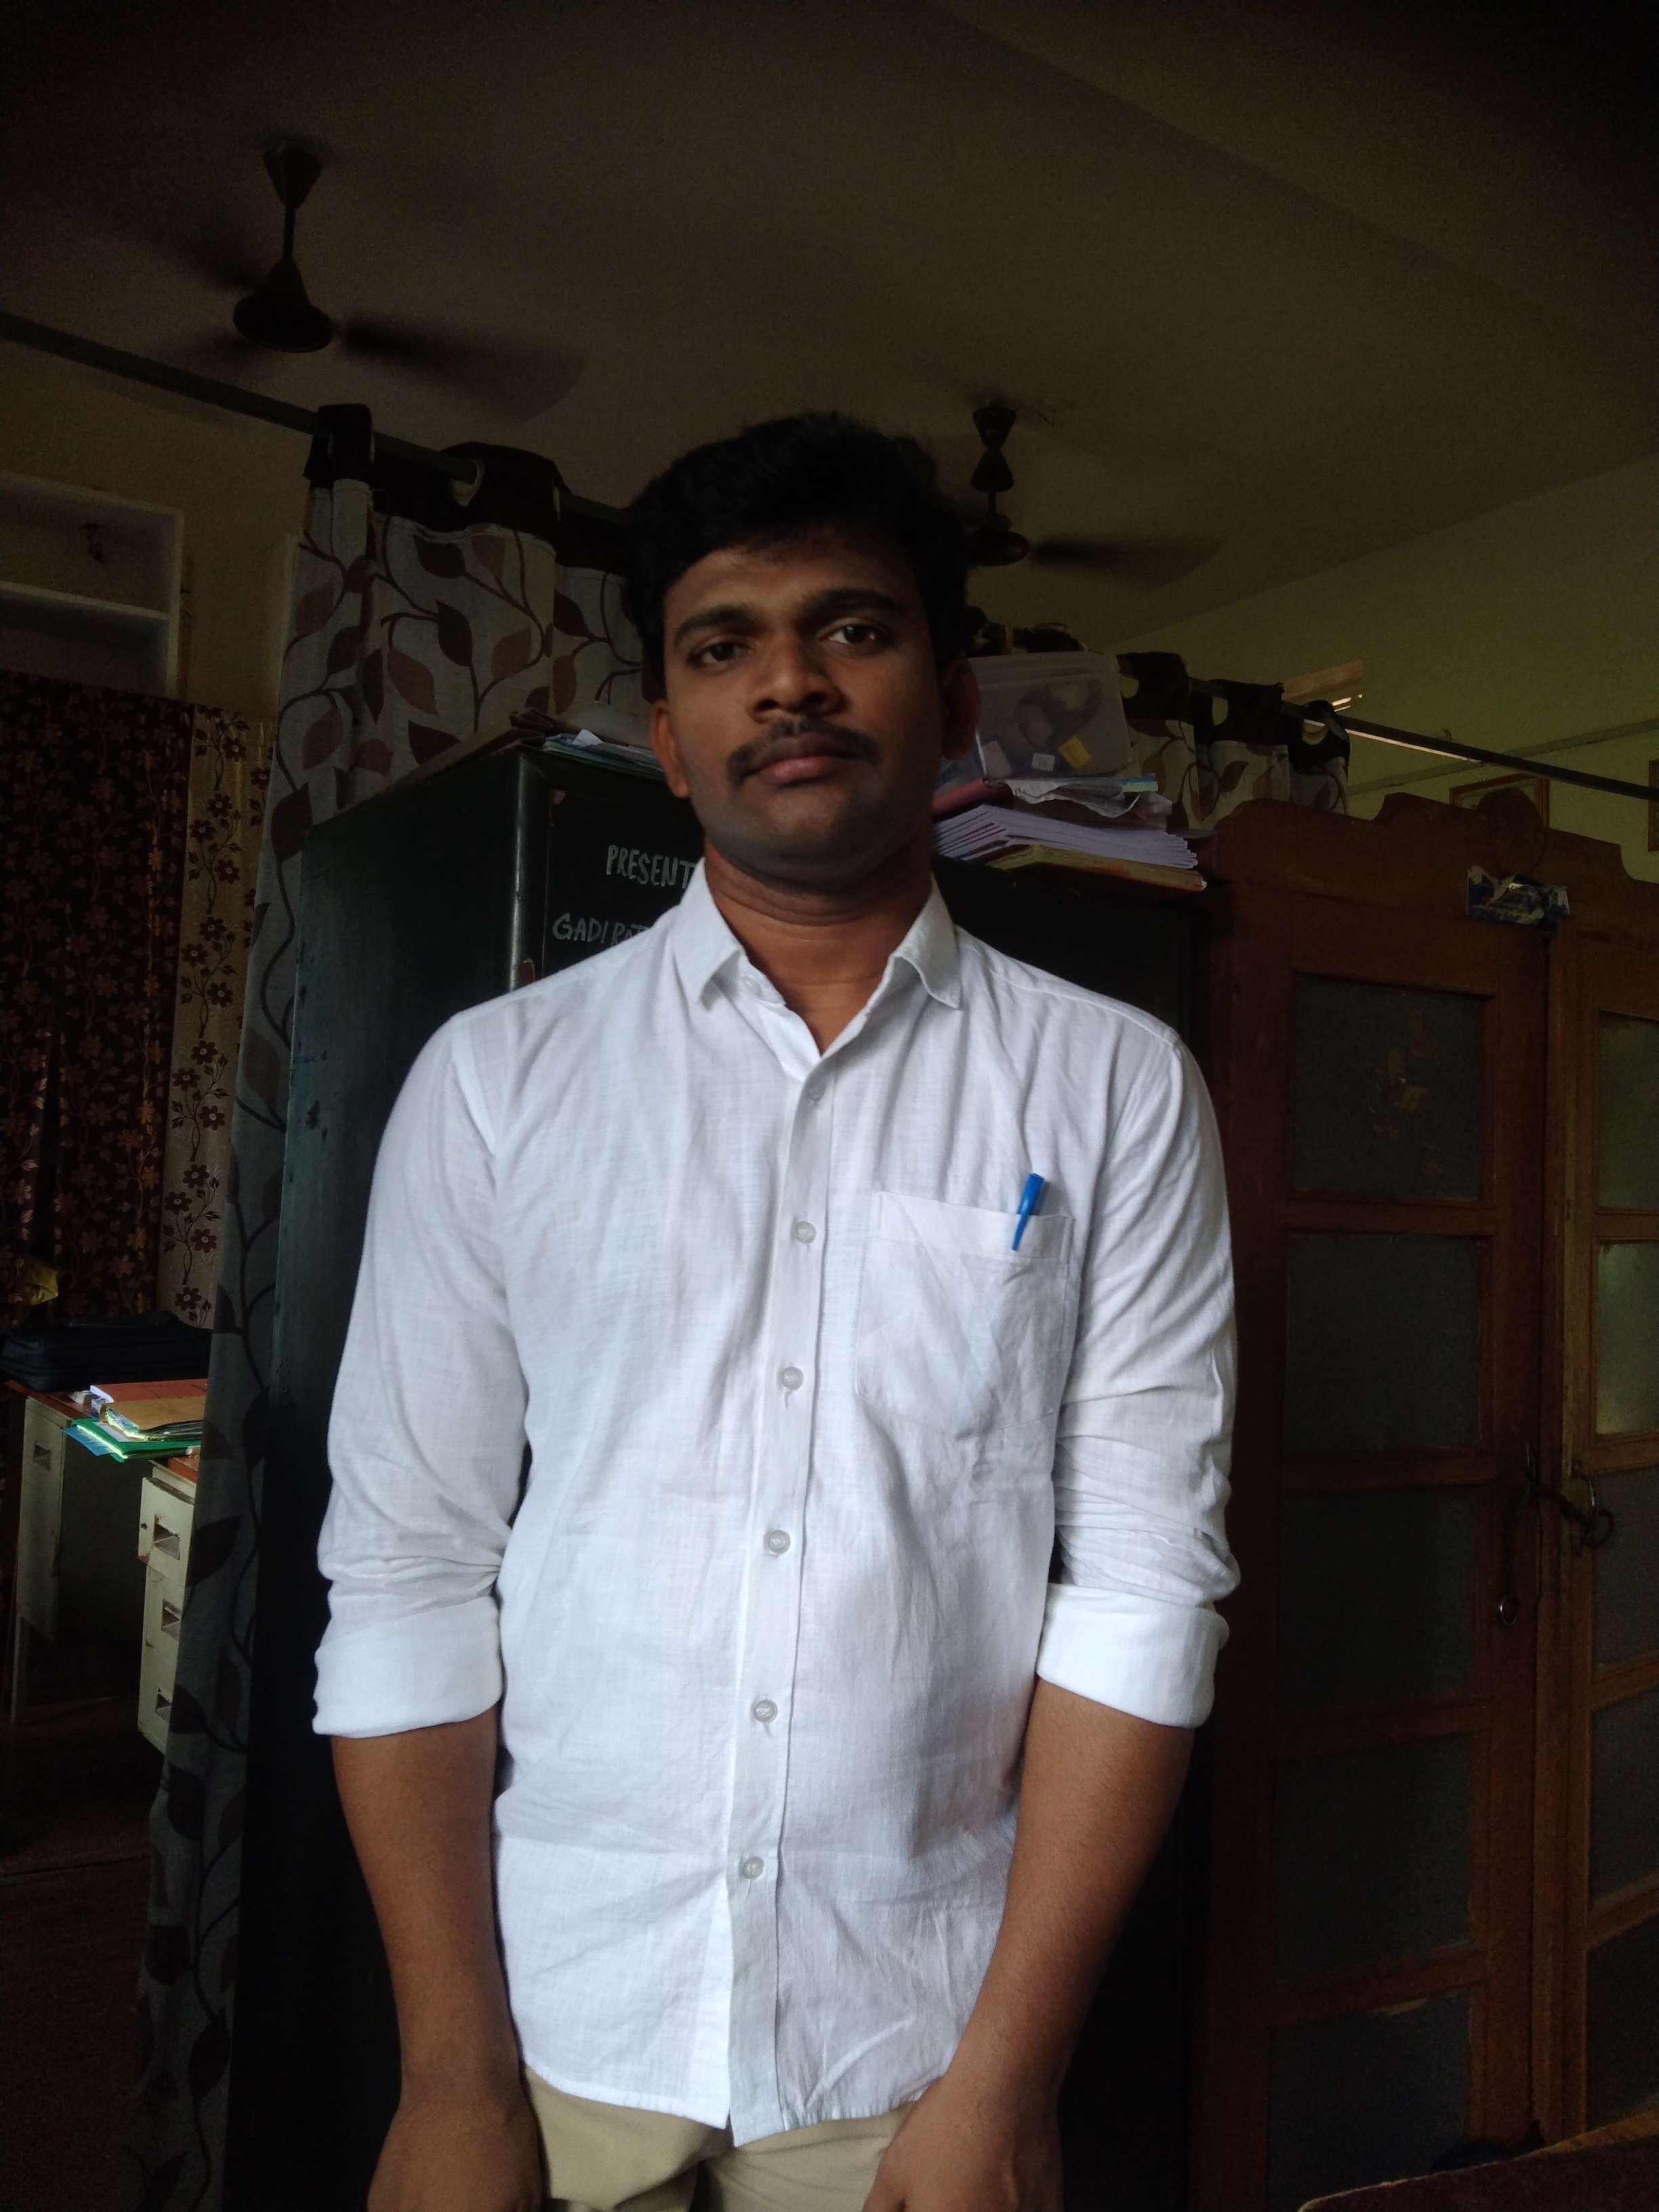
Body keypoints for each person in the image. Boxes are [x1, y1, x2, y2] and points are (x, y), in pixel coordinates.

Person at [314, 412, 1238, 2212]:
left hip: (916, 2045)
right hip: (559, 2022)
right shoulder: (498, 1085)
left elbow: (1143, 1590)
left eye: (852, 629)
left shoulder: (1115, 1087)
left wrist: (1007, 2088)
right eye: (722, 645)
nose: (790, 683)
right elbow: (410, 1570)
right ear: (669, 738)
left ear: (951, 705)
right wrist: (449, 2080)